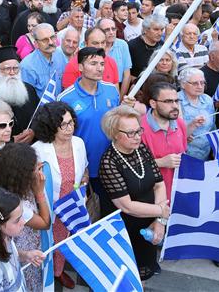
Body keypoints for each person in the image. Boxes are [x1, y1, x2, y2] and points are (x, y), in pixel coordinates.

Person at [99, 106, 169, 281]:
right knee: (126, 277)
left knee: (144, 272)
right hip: (124, 229)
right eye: (131, 133)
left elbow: (159, 184)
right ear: (114, 134)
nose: (137, 136)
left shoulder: (141, 149)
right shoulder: (108, 162)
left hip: (149, 221)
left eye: (139, 130)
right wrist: (161, 212)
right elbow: (126, 206)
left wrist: (159, 221)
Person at [31, 101, 88, 289]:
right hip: (49, 207)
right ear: (50, 126)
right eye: (63, 124)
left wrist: (84, 189)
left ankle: (59, 271)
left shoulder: (78, 143)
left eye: (71, 122)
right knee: (48, 242)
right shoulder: (38, 149)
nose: (69, 128)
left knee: (65, 240)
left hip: (72, 205)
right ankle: (46, 274)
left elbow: (84, 169)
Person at [57, 47, 120, 209]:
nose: (99, 68)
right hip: (83, 168)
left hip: (113, 164)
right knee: (89, 211)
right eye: (93, 63)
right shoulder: (65, 98)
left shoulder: (112, 91)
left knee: (112, 210)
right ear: (80, 67)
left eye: (101, 63)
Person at [0, 144, 51, 291]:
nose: (39, 168)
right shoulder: (17, 202)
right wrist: (39, 192)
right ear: (23, 173)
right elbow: (45, 222)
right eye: (35, 167)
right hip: (23, 251)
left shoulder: (5, 183)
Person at [141, 82, 195, 202]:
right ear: (153, 103)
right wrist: (159, 162)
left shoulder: (180, 124)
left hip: (178, 193)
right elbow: (130, 166)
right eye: (168, 101)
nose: (175, 106)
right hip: (152, 198)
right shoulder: (138, 129)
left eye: (177, 101)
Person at [20, 23, 68, 97]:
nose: (51, 42)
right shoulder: (27, 66)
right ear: (36, 43)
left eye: (52, 37)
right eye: (45, 40)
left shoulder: (60, 55)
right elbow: (28, 98)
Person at [177, 68, 215, 160]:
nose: (200, 86)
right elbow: (174, 132)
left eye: (202, 83)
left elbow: (213, 127)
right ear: (183, 84)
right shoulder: (175, 100)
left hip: (206, 153)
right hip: (185, 155)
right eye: (195, 83)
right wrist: (192, 125)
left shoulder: (207, 100)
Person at [128, 15, 166, 79]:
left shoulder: (162, 45)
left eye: (162, 30)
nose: (160, 33)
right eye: (156, 29)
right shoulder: (132, 46)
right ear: (145, 29)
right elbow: (126, 73)